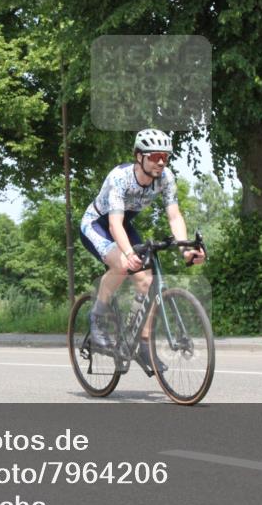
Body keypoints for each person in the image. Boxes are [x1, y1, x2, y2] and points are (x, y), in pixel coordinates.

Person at [78, 128, 206, 374]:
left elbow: (174, 216)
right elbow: (114, 224)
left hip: (124, 224)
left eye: (165, 157)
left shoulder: (165, 178)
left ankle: (144, 345)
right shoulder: (120, 177)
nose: (161, 161)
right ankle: (96, 319)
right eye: (155, 155)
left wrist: (185, 250)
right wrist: (126, 254)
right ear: (139, 156)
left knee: (148, 281)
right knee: (124, 266)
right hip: (97, 224)